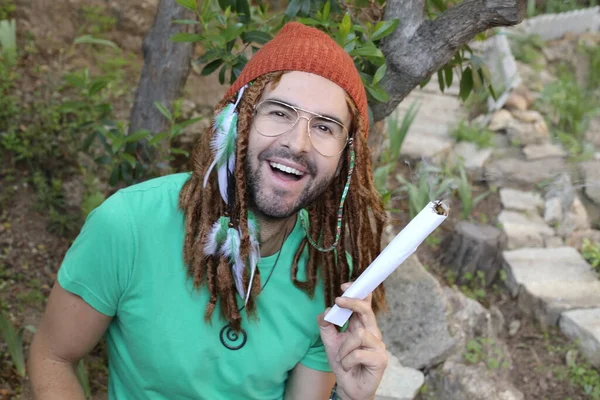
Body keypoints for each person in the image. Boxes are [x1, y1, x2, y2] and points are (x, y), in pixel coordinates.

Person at [28, 22, 389, 400]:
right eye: (279, 113)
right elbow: (53, 356)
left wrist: (348, 398)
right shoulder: (130, 224)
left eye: (325, 127)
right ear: (237, 120)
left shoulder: (330, 276)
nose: (298, 143)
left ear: (347, 157)